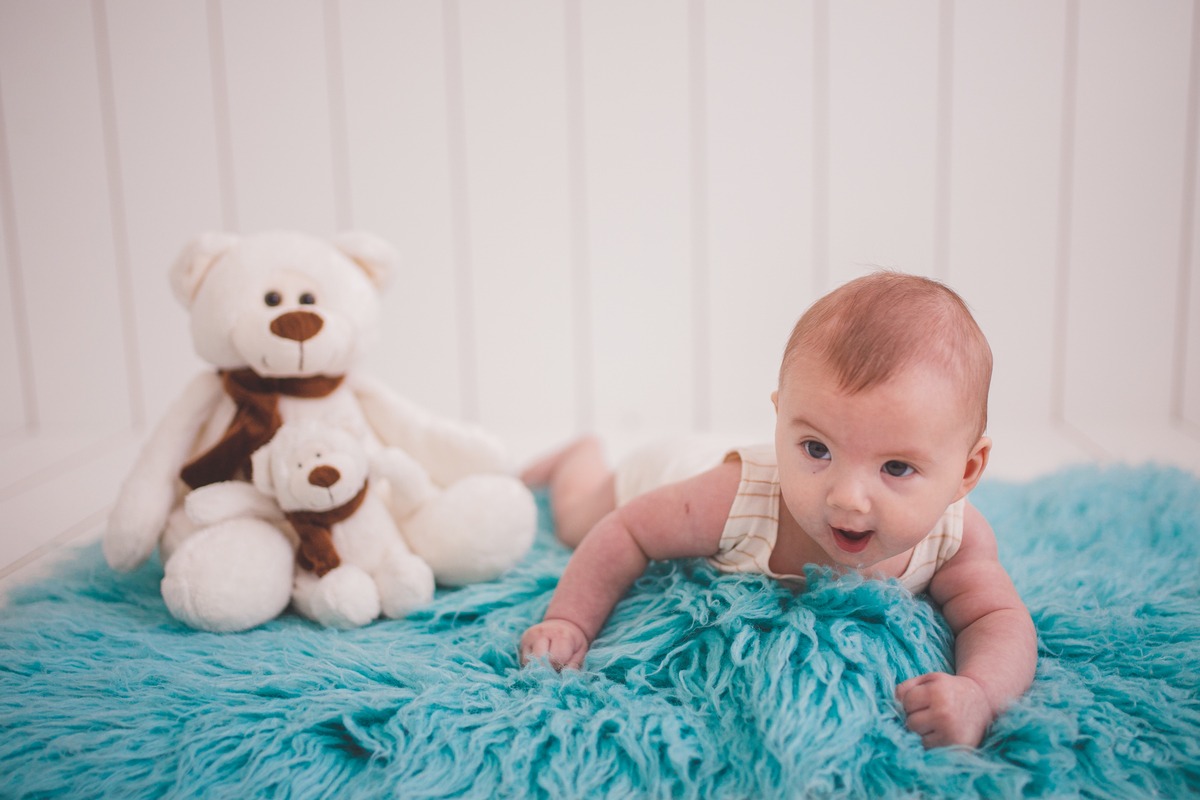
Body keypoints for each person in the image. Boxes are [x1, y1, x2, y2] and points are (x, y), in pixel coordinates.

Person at [518, 272, 1037, 749]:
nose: (847, 498)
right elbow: (627, 531)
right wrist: (570, 620)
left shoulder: (955, 535)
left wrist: (979, 693)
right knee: (575, 521)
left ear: (967, 472)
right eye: (816, 449)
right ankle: (579, 456)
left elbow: (999, 617)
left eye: (896, 467)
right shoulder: (733, 498)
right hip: (670, 472)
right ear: (780, 420)